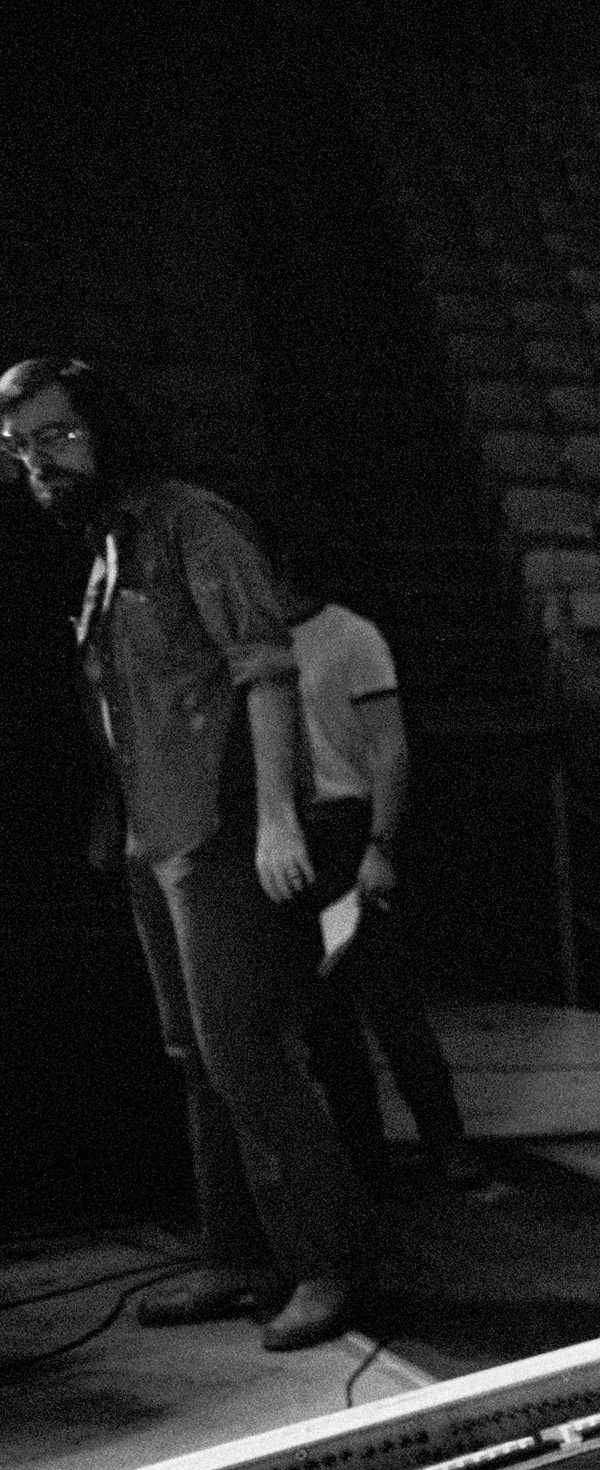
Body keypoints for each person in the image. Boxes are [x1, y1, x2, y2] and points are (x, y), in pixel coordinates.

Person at [2, 356, 368, 1351]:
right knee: (193, 1059)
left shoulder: (191, 521)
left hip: (218, 833)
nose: (35, 459)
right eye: (19, 446)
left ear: (106, 428)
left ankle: (324, 1265)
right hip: (152, 837)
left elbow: (265, 667)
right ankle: (238, 1258)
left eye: (53, 436)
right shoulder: (105, 542)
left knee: (250, 1054)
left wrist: (279, 818)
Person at [282, 581, 484, 1189]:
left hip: (345, 824)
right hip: (292, 828)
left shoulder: (350, 635)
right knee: (323, 1015)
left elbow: (387, 745)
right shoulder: (252, 637)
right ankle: (361, 1152)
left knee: (390, 1002)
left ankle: (446, 1142)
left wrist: (379, 842)